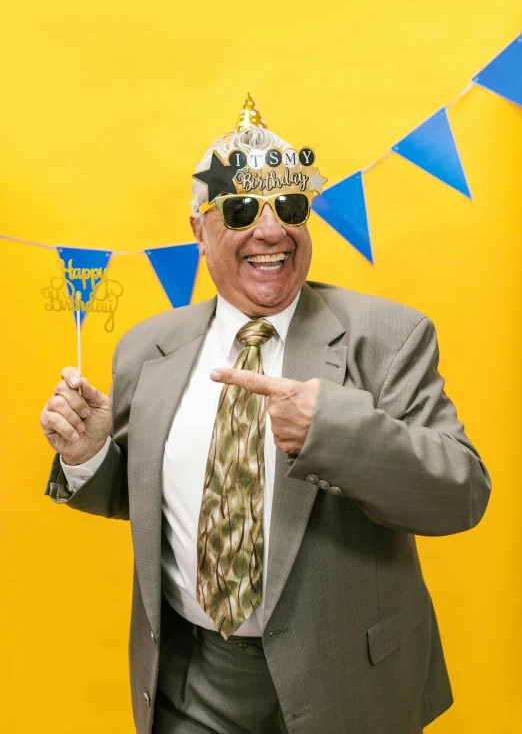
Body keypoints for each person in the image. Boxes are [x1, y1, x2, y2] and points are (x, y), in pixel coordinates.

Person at [41, 94, 491, 734]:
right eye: (243, 209)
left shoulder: (388, 337)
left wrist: (333, 432)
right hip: (193, 684)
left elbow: (462, 494)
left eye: (290, 206)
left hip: (348, 684)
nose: (272, 230)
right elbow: (160, 502)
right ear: (200, 230)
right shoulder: (146, 349)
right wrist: (90, 458)